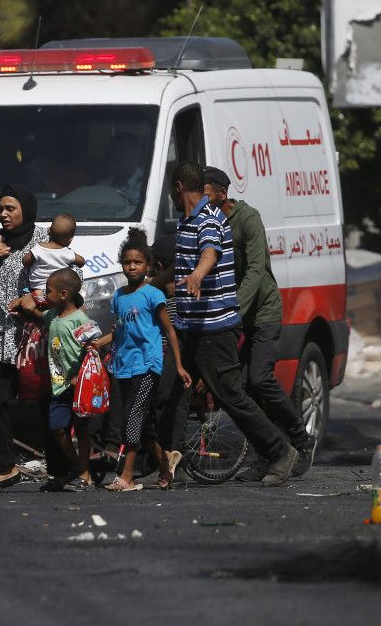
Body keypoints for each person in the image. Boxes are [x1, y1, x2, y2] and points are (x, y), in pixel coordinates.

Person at [166, 161, 298, 486]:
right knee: (175, 394)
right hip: (190, 328)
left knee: (231, 396)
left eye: (171, 188)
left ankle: (281, 451)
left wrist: (199, 273)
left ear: (179, 188)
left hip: (214, 329)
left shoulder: (208, 220)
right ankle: (172, 463)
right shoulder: (186, 221)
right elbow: (183, 265)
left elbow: (209, 252)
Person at [202, 166, 317, 480]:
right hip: (234, 314)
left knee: (259, 379)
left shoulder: (247, 219)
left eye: (205, 193)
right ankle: (269, 453)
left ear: (222, 194)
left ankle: (301, 439)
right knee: (237, 389)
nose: (200, 200)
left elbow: (256, 269)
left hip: (262, 311)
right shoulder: (208, 224)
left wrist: (234, 308)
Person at [89, 228, 190, 491]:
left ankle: (127, 477)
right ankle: (165, 465)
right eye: (127, 262)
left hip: (147, 364)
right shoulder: (119, 296)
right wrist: (97, 344)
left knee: (134, 418)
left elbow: (169, 331)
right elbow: (118, 330)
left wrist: (178, 365)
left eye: (138, 262)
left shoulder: (153, 294)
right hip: (122, 366)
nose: (132, 267)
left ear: (148, 266)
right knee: (134, 423)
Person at [0, 184, 47, 491]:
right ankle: (6, 466)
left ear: (26, 210)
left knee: (45, 400)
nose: (3, 214)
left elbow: (72, 278)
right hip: (0, 336)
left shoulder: (44, 239)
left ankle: (66, 465)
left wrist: (37, 297)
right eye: (0, 208)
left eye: (10, 208)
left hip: (35, 336)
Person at [31, 268, 96, 491]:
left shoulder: (80, 318)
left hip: (78, 385)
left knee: (81, 428)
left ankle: (85, 474)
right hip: (59, 386)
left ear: (63, 294)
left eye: (48, 291)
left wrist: (80, 375)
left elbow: (92, 346)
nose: (46, 295)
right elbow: (38, 314)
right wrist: (26, 303)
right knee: (57, 427)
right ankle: (78, 465)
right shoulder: (53, 316)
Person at [136, 235, 192, 489]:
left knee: (164, 403)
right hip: (157, 359)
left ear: (157, 269)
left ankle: (170, 465)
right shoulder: (175, 298)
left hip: (171, 361)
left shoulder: (169, 301)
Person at [22, 213, 86, 306]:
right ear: (70, 240)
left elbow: (25, 262)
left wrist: (32, 252)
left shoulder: (38, 248)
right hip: (55, 293)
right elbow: (82, 261)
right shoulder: (67, 253)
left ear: (49, 231)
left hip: (35, 291)